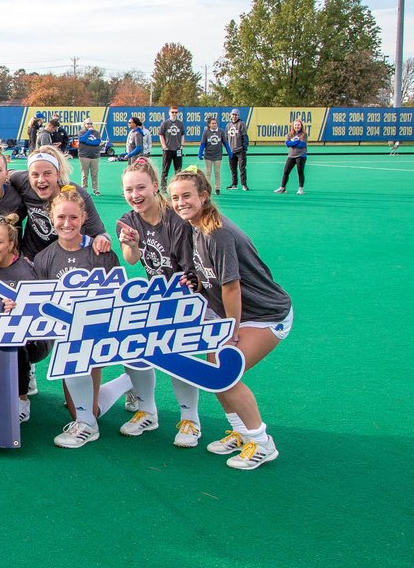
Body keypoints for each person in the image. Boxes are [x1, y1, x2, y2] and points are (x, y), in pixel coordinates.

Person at [170, 167, 292, 470]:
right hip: (239, 314)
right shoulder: (195, 227)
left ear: (204, 196)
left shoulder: (217, 232)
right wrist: (197, 283)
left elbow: (232, 287)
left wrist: (231, 330)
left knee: (224, 373)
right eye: (175, 197)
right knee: (215, 372)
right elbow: (210, 276)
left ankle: (262, 444)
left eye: (187, 195)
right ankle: (241, 433)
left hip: (265, 315)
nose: (181, 202)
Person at [100, 158, 202, 446]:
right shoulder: (128, 218)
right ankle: (147, 410)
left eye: (141, 187)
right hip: (156, 294)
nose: (135, 195)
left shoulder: (177, 217)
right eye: (129, 189)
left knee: (178, 355)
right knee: (132, 347)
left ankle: (190, 419)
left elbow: (192, 265)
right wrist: (130, 245)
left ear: (156, 186)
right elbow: (132, 259)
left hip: (190, 294)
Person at [31, 187, 120, 449]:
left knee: (85, 411)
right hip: (64, 335)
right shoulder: (44, 257)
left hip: (93, 334)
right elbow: (43, 301)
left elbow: (114, 298)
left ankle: (88, 427)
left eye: (73, 218)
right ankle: (128, 384)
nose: (67, 224)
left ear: (83, 219)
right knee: (80, 408)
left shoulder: (100, 252)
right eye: (61, 217)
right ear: (51, 218)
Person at [0, 213, 47, 421]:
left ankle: (22, 399)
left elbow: (37, 313)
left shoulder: (24, 272)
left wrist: (18, 307)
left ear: (11, 244)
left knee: (14, 339)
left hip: (30, 338)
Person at [197, 116, 232, 194]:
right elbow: (203, 144)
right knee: (208, 172)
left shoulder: (221, 132)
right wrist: (200, 153)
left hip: (218, 155)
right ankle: (207, 188)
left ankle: (217, 188)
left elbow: (225, 143)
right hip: (208, 155)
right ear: (209, 124)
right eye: (212, 123)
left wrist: (229, 152)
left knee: (217, 172)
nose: (214, 125)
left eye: (215, 123)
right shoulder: (206, 132)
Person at [275, 118, 308, 195]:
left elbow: (302, 145)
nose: (297, 126)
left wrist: (293, 142)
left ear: (301, 126)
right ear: (293, 126)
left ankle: (301, 189)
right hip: (291, 155)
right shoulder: (289, 134)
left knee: (300, 172)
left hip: (301, 155)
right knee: (286, 171)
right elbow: (287, 144)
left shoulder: (304, 134)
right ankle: (282, 188)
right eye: (296, 125)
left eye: (298, 125)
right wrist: (297, 141)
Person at [158, 106, 185, 189]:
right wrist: (164, 146)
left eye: (176, 112)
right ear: (169, 113)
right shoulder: (165, 124)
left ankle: (177, 186)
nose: (174, 114)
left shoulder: (180, 123)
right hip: (168, 150)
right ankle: (163, 186)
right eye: (172, 112)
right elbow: (161, 135)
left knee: (178, 170)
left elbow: (183, 134)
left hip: (177, 149)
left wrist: (181, 145)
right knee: (165, 169)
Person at [224, 109, 249, 190]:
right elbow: (226, 138)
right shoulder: (228, 125)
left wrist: (244, 148)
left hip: (240, 150)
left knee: (242, 168)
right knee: (233, 169)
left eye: (236, 115)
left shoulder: (241, 124)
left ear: (238, 116)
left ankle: (244, 185)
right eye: (233, 114)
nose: (234, 116)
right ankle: (234, 184)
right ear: (231, 115)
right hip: (231, 151)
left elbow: (245, 136)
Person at [77, 120, 103, 195]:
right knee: (85, 174)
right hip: (84, 156)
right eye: (88, 124)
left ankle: (95, 189)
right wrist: (89, 132)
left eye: (91, 123)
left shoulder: (96, 132)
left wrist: (88, 142)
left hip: (95, 156)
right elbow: (82, 139)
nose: (90, 125)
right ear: (84, 124)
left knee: (94, 174)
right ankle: (84, 189)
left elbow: (97, 142)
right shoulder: (81, 132)